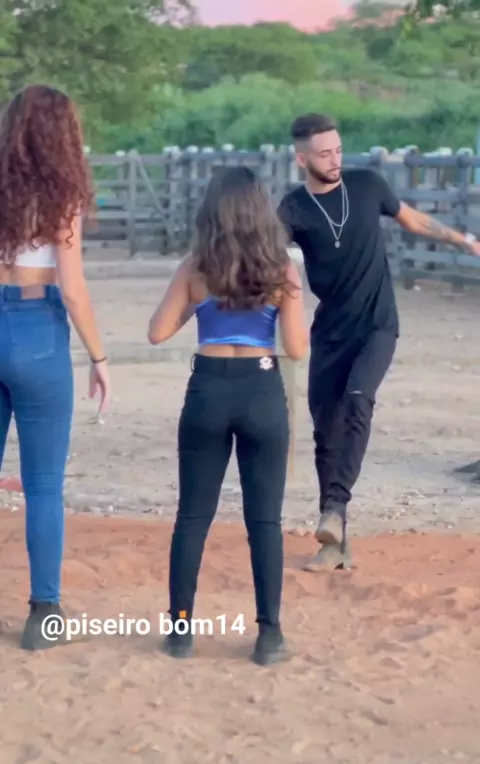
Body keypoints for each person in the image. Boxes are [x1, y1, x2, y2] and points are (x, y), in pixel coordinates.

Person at [278, 113, 480, 571]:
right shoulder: (292, 209)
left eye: (338, 150)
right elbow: (267, 254)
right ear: (302, 159)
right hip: (329, 333)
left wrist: (463, 240)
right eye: (324, 153)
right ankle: (335, 544)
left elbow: (413, 219)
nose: (334, 159)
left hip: (377, 325)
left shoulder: (367, 185)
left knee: (358, 399)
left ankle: (335, 509)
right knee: (326, 433)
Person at [148, 166, 308, 666]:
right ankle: (269, 635)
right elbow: (296, 349)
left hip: (209, 388)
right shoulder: (282, 269)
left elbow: (157, 331)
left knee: (193, 516)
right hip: (261, 388)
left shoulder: (196, 267)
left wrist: (197, 307)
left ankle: (180, 631)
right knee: (265, 520)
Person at [0, 85, 110, 650]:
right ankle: (44, 614)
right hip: (38, 329)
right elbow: (72, 289)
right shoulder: (62, 196)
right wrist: (99, 355)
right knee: (43, 484)